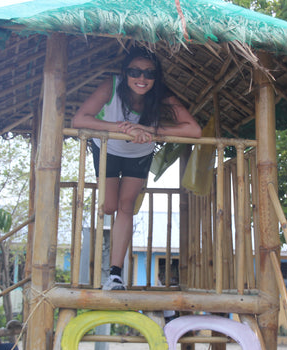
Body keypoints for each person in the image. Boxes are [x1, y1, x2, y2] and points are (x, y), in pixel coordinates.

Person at [71, 46, 202, 290]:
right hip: (107, 148)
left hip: (139, 153)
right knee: (109, 206)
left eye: (149, 74)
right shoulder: (111, 85)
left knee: (126, 207)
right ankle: (108, 270)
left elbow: (193, 130)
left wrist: (151, 131)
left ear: (156, 77)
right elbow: (79, 119)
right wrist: (122, 128)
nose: (142, 79)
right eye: (135, 72)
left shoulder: (160, 93)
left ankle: (115, 274)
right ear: (125, 72)